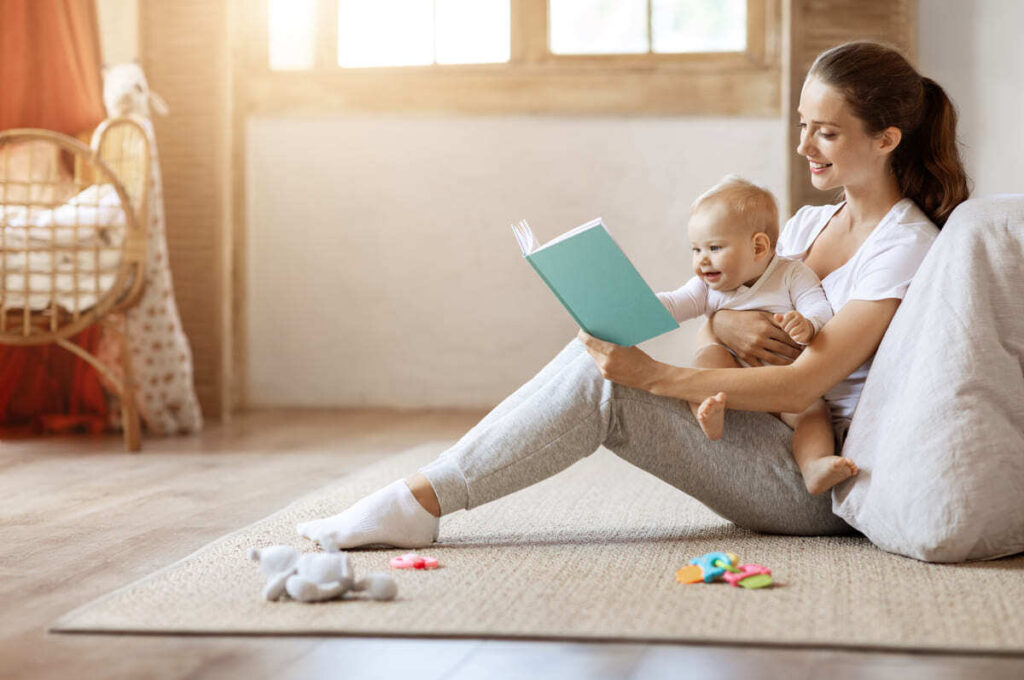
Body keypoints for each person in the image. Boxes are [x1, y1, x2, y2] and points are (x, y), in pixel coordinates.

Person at [297, 41, 971, 551]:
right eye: (803, 124)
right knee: (599, 354)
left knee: (613, 384)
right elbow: (724, 326)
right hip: (755, 425)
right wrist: (725, 333)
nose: (804, 146)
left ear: (887, 139)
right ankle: (419, 496)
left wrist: (654, 374)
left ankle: (418, 503)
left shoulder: (903, 245)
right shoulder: (803, 226)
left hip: (814, 479)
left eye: (826, 132)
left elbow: (808, 382)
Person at [656, 175, 855, 495]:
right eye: (696, 249)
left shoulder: (791, 274)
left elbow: (819, 308)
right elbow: (672, 305)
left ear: (759, 246)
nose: (701, 260)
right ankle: (709, 414)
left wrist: (807, 325)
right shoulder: (706, 287)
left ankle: (814, 465)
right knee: (707, 358)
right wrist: (633, 306)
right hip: (732, 386)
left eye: (714, 247)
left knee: (814, 412)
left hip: (782, 386)